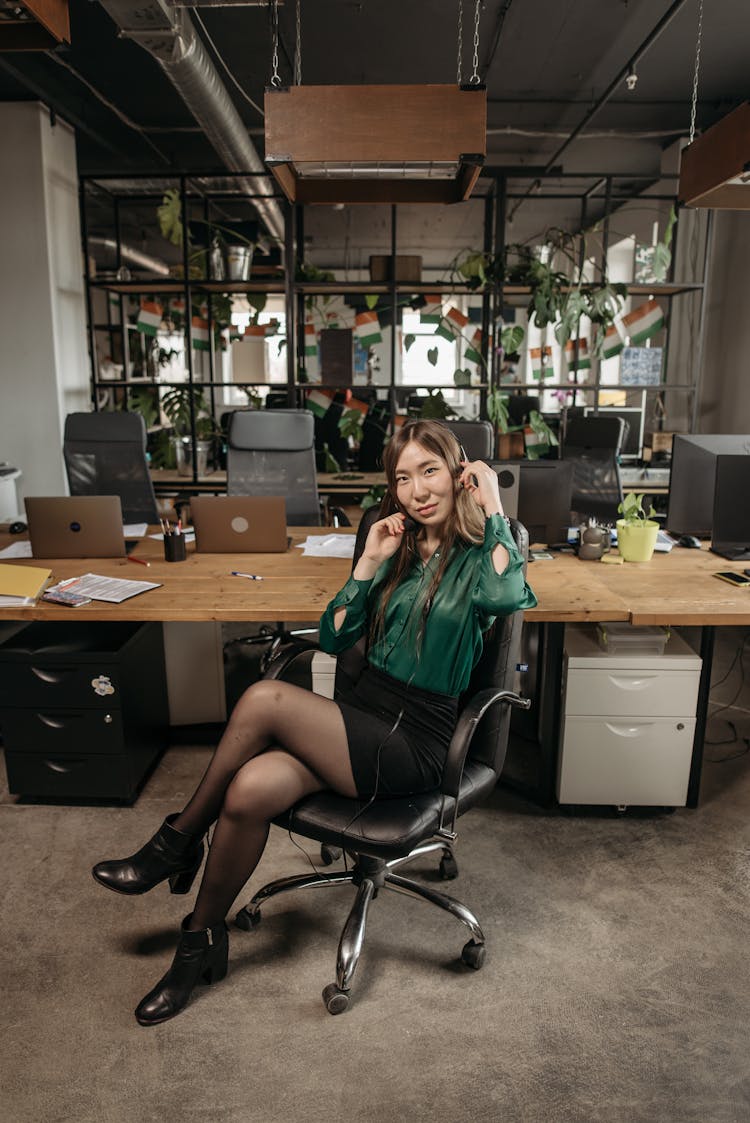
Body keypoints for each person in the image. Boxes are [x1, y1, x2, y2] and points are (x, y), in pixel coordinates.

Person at [91, 419, 536, 1026]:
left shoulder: (485, 554)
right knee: (248, 792)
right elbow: (332, 638)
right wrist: (368, 564)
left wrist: (493, 503)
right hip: (359, 721)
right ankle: (199, 943)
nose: (417, 490)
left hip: (417, 743)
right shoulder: (396, 547)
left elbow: (510, 594)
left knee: (265, 700)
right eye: (402, 478)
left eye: (430, 471)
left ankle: (175, 843)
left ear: (459, 474)